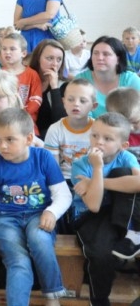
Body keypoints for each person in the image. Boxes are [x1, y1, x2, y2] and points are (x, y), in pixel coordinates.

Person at [0, 108, 71, 306]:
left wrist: (51, 211)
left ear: (29, 138)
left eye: (10, 139)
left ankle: (53, 296)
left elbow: (64, 195)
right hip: (6, 219)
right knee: (18, 262)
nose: (2, 146)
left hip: (38, 214)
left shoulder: (43, 158)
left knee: (39, 239)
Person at [71, 113, 140, 305]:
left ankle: (133, 234)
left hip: (119, 212)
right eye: (95, 135)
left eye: (108, 139)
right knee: (101, 253)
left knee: (123, 172)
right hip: (88, 216)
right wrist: (97, 169)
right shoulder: (81, 165)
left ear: (123, 145)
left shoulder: (126, 157)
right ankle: (99, 300)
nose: (99, 142)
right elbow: (93, 206)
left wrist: (95, 182)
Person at [44, 79, 97, 181]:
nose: (76, 104)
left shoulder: (98, 129)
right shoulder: (55, 129)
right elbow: (52, 167)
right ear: (63, 102)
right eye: (70, 99)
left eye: (83, 101)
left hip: (90, 180)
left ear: (93, 106)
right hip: (63, 179)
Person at [78, 36, 140, 117]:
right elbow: (80, 115)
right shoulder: (80, 80)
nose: (100, 58)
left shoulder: (131, 79)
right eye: (95, 53)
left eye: (106, 54)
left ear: (118, 59)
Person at [29, 39, 68, 138]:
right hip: (25, 134)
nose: (55, 64)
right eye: (50, 58)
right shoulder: (27, 79)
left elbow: (61, 122)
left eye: (59, 59)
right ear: (38, 58)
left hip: (51, 138)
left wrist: (54, 87)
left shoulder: (64, 86)